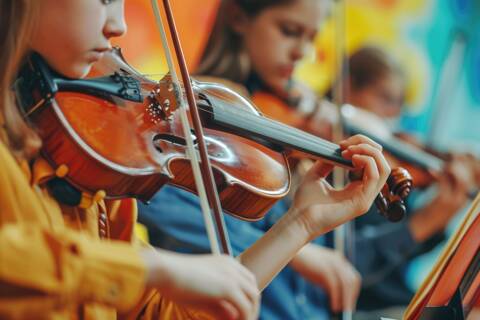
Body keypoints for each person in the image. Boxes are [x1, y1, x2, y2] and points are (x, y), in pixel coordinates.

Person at [0, 0, 391, 319]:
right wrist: (159, 269)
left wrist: (300, 225)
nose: (117, 24)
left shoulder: (93, 173)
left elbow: (173, 312)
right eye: (102, 0)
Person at [139, 0, 366, 319]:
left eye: (311, 38)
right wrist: (296, 251)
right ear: (238, 18)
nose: (302, 51)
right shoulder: (193, 110)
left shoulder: (282, 120)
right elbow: (159, 203)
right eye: (289, 31)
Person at [343, 46, 472, 314]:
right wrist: (424, 222)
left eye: (399, 104)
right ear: (347, 86)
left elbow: (400, 256)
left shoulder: (395, 166)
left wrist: (440, 215)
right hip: (361, 303)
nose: (393, 116)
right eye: (384, 98)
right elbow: (349, 259)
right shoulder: (332, 159)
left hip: (394, 295)